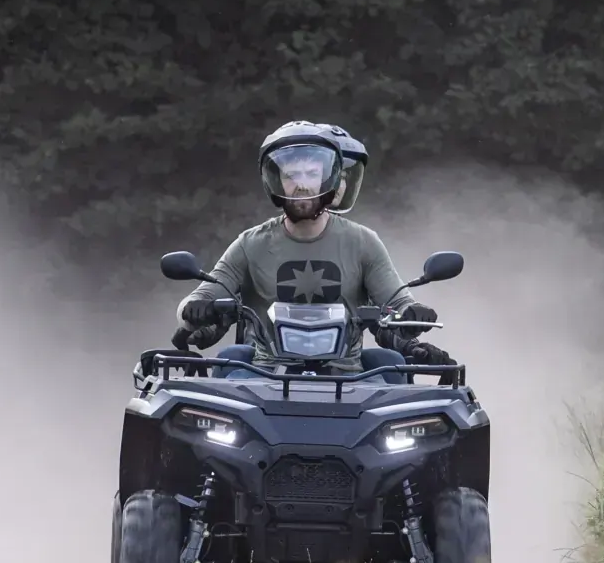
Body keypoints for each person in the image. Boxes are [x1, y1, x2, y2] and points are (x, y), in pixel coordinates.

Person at [177, 121, 436, 376]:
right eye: (291, 175)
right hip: (262, 376)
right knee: (226, 375)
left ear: (330, 179)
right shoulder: (249, 244)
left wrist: (412, 312)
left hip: (351, 378)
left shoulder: (363, 242)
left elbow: (397, 301)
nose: (302, 185)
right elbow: (202, 295)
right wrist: (195, 309)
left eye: (312, 174)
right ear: (275, 181)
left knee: (396, 380)